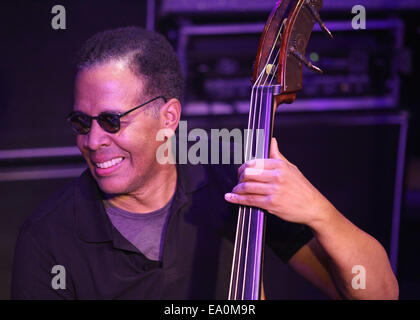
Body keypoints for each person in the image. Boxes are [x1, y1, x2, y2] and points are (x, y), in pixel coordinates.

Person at [11, 27, 398, 300]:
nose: (93, 141)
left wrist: (319, 211)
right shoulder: (48, 239)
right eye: (82, 122)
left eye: (112, 121)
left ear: (168, 119)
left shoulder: (232, 185)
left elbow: (378, 293)